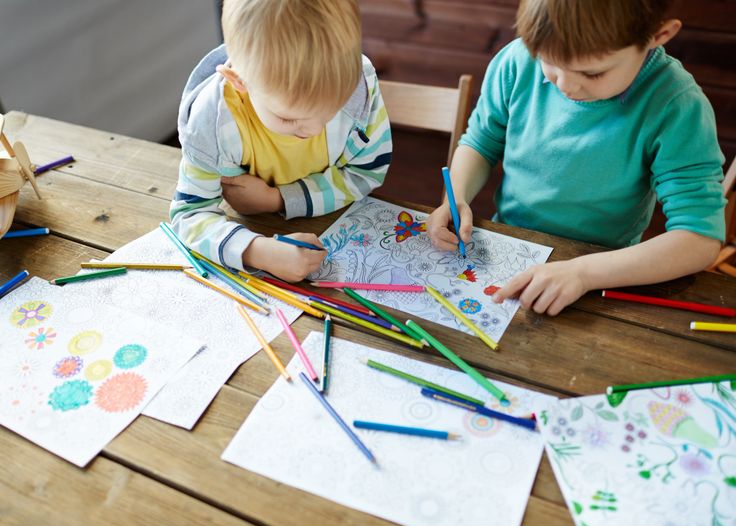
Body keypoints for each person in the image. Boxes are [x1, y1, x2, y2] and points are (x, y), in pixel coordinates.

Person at [427, 0, 725, 315]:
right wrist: (455, 198)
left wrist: (584, 273)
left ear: (658, 36)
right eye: (548, 62)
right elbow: (480, 142)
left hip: (605, 271)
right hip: (511, 246)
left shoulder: (676, 104)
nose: (566, 86)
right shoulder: (517, 61)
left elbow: (699, 239)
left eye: (593, 73)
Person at [170, 0, 391, 281]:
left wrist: (278, 199)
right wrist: (258, 251)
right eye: (289, 118)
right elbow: (189, 214)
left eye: (330, 111)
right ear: (239, 82)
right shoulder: (210, 122)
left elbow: (366, 172)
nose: (313, 130)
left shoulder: (358, 87)